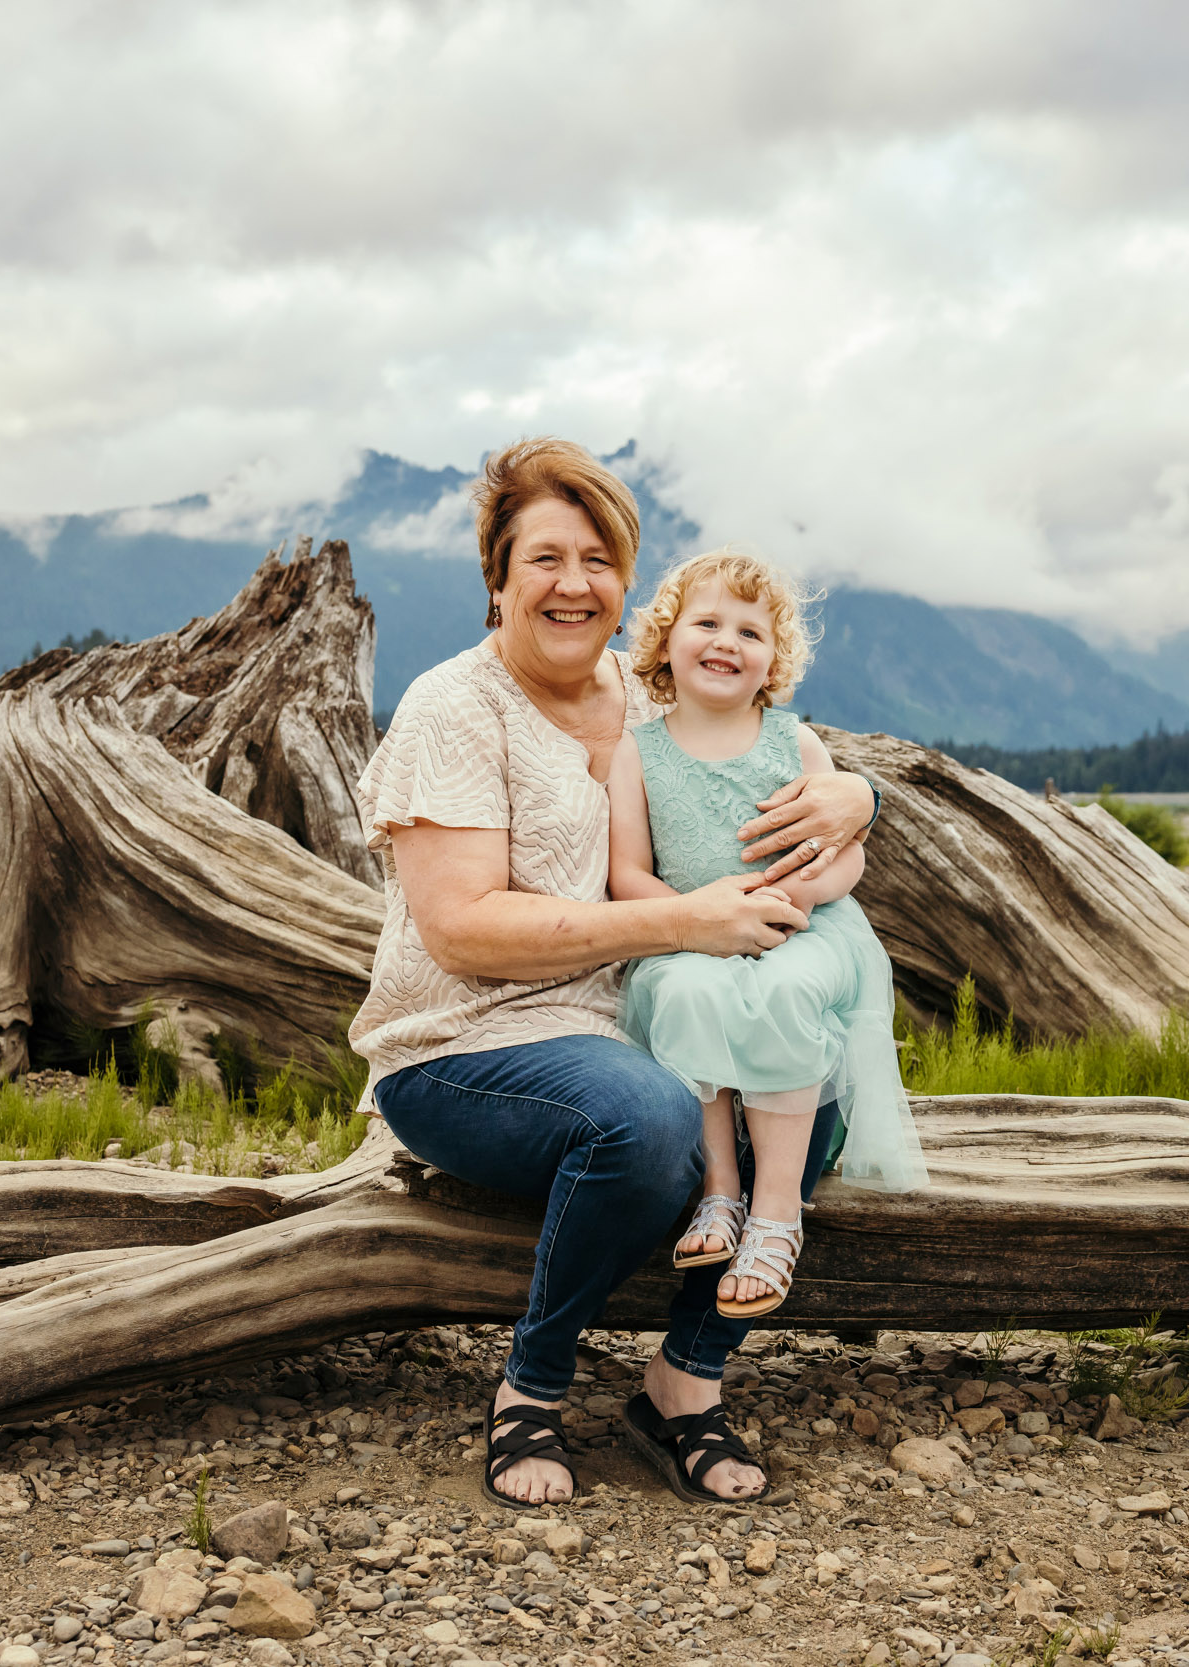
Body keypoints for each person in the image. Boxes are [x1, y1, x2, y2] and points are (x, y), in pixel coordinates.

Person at [349, 437, 880, 1512]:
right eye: (544, 558)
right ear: (497, 580)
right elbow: (461, 930)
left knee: (815, 1086)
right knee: (642, 1120)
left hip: (639, 1016)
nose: (572, 583)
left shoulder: (651, 703)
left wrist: (857, 797)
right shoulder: (455, 707)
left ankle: (683, 1381)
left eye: (598, 559)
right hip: (465, 1047)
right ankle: (529, 1389)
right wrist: (684, 918)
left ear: (629, 587)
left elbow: (780, 759)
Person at [607, 548, 926, 1352]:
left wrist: (805, 893)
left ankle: (778, 1208)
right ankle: (722, 1190)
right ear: (665, 643)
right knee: (684, 992)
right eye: (706, 622)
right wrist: (694, 919)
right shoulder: (638, 751)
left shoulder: (793, 742)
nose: (726, 641)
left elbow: (848, 849)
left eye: (750, 631)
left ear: (772, 661)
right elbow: (625, 873)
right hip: (691, 931)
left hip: (806, 929)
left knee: (787, 994)